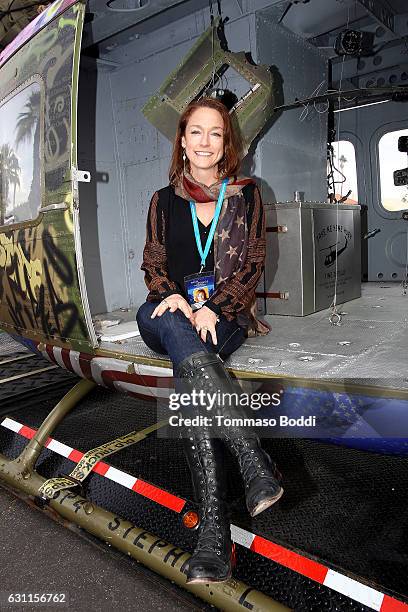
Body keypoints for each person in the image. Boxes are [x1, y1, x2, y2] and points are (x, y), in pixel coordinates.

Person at [136, 97, 283, 584]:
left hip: (224, 314)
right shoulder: (163, 199)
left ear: (227, 143)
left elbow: (252, 264)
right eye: (195, 132)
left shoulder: (247, 194)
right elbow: (153, 265)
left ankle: (214, 535)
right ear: (182, 141)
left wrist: (213, 308)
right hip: (171, 314)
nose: (204, 142)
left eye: (215, 133)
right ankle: (251, 457)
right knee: (163, 319)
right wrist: (173, 298)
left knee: (190, 379)